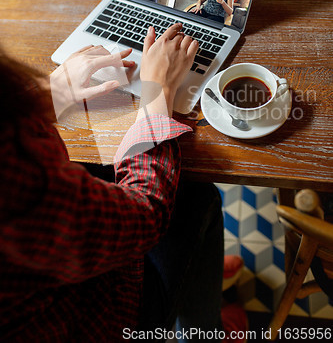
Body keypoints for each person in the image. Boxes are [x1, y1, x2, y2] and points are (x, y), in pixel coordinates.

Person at [1, 24, 247, 342]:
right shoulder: (21, 184)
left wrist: (52, 93)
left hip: (41, 279)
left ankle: (202, 275)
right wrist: (157, 93)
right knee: (197, 198)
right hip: (97, 315)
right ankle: (204, 328)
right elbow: (148, 210)